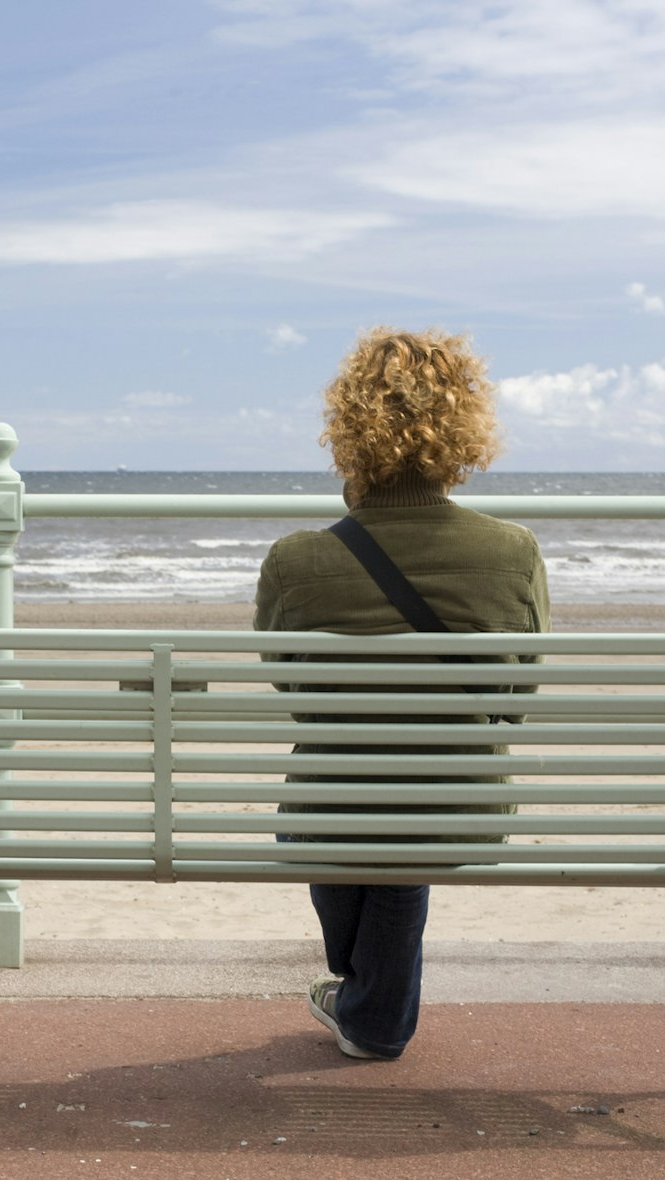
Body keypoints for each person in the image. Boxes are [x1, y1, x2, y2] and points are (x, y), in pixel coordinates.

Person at [254, 326, 550, 1061]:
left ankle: (370, 1009)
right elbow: (514, 696)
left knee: (349, 792)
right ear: (464, 433)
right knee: (410, 810)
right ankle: (366, 1005)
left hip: (330, 807)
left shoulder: (296, 560)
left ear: (347, 433)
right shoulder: (512, 553)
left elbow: (298, 693)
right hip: (461, 806)